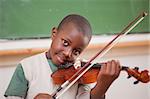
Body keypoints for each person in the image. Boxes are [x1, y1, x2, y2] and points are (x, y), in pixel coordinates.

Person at [4, 14, 121, 99]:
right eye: (65, 43)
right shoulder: (27, 67)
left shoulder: (80, 73)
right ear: (54, 34)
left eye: (76, 51)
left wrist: (103, 85)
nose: (67, 53)